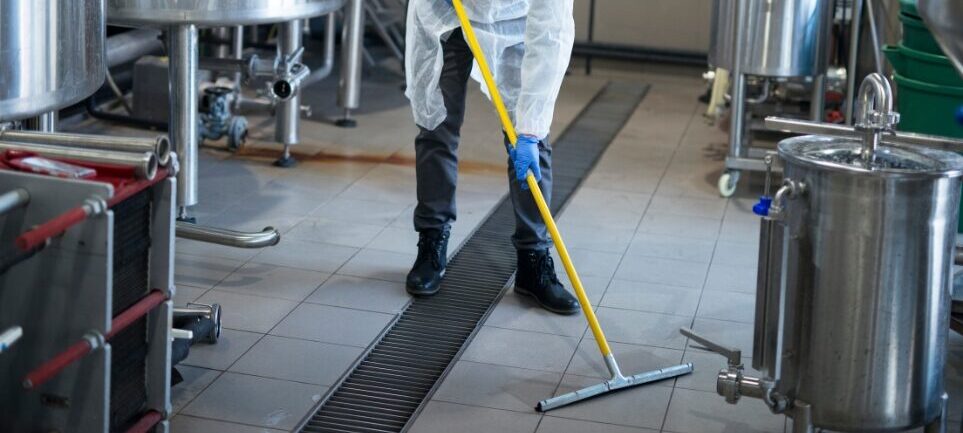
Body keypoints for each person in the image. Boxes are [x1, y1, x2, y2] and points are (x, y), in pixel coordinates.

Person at [403, 0, 579, 315]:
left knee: (532, 143)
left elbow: (552, 33)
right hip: (449, 14)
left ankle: (533, 260)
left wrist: (530, 129)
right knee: (436, 125)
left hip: (518, 19)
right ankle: (431, 240)